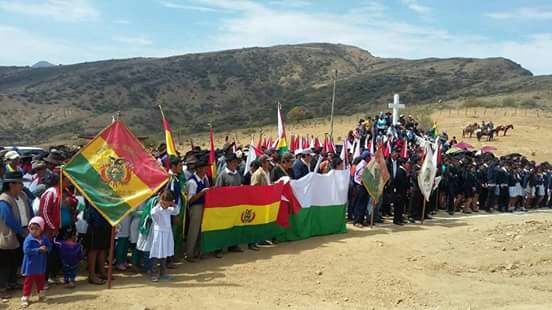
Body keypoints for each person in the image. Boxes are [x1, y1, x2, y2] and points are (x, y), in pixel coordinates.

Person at [0, 172, 30, 300]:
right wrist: (20, 231)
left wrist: (31, 226)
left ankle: (12, 282)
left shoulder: (22, 195)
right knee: (4, 262)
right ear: (11, 184)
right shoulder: (4, 199)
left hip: (24, 231)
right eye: (20, 183)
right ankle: (2, 288)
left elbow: (30, 210)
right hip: (9, 234)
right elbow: (7, 218)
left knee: (16, 260)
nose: (22, 185)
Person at [214, 153, 244, 257]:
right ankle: (220, 248)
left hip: (236, 205)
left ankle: (233, 245)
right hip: (225, 206)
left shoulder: (237, 174)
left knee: (235, 226)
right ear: (228, 163)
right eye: (234, 162)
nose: (236, 164)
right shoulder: (222, 175)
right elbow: (217, 191)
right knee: (223, 228)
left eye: (236, 162)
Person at [149, 190, 179, 282]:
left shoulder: (168, 210)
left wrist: (173, 205)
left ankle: (163, 273)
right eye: (165, 204)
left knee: (164, 253)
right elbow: (153, 213)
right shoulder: (157, 210)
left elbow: (176, 211)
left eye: (168, 204)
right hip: (159, 234)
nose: (166, 206)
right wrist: (159, 203)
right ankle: (154, 273)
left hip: (167, 234)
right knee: (156, 253)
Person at [20, 216, 50, 308]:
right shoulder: (28, 239)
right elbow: (26, 250)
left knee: (40, 281)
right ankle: (25, 297)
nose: (34, 231)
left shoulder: (44, 238)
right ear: (29, 229)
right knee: (28, 282)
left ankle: (41, 295)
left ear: (41, 229)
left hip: (40, 266)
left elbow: (49, 247)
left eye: (37, 229)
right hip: (30, 266)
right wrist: (38, 250)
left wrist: (47, 249)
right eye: (31, 228)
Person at [185, 158, 210, 263]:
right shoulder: (192, 182)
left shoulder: (205, 178)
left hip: (204, 205)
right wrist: (202, 193)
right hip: (195, 207)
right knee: (194, 230)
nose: (206, 169)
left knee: (202, 230)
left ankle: (199, 251)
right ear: (199, 169)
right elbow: (190, 200)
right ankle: (189, 253)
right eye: (204, 167)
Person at [83, 202, 110, 285]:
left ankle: (102, 272)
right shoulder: (92, 197)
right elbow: (88, 216)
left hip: (105, 225)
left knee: (103, 249)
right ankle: (92, 275)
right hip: (95, 226)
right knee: (93, 250)